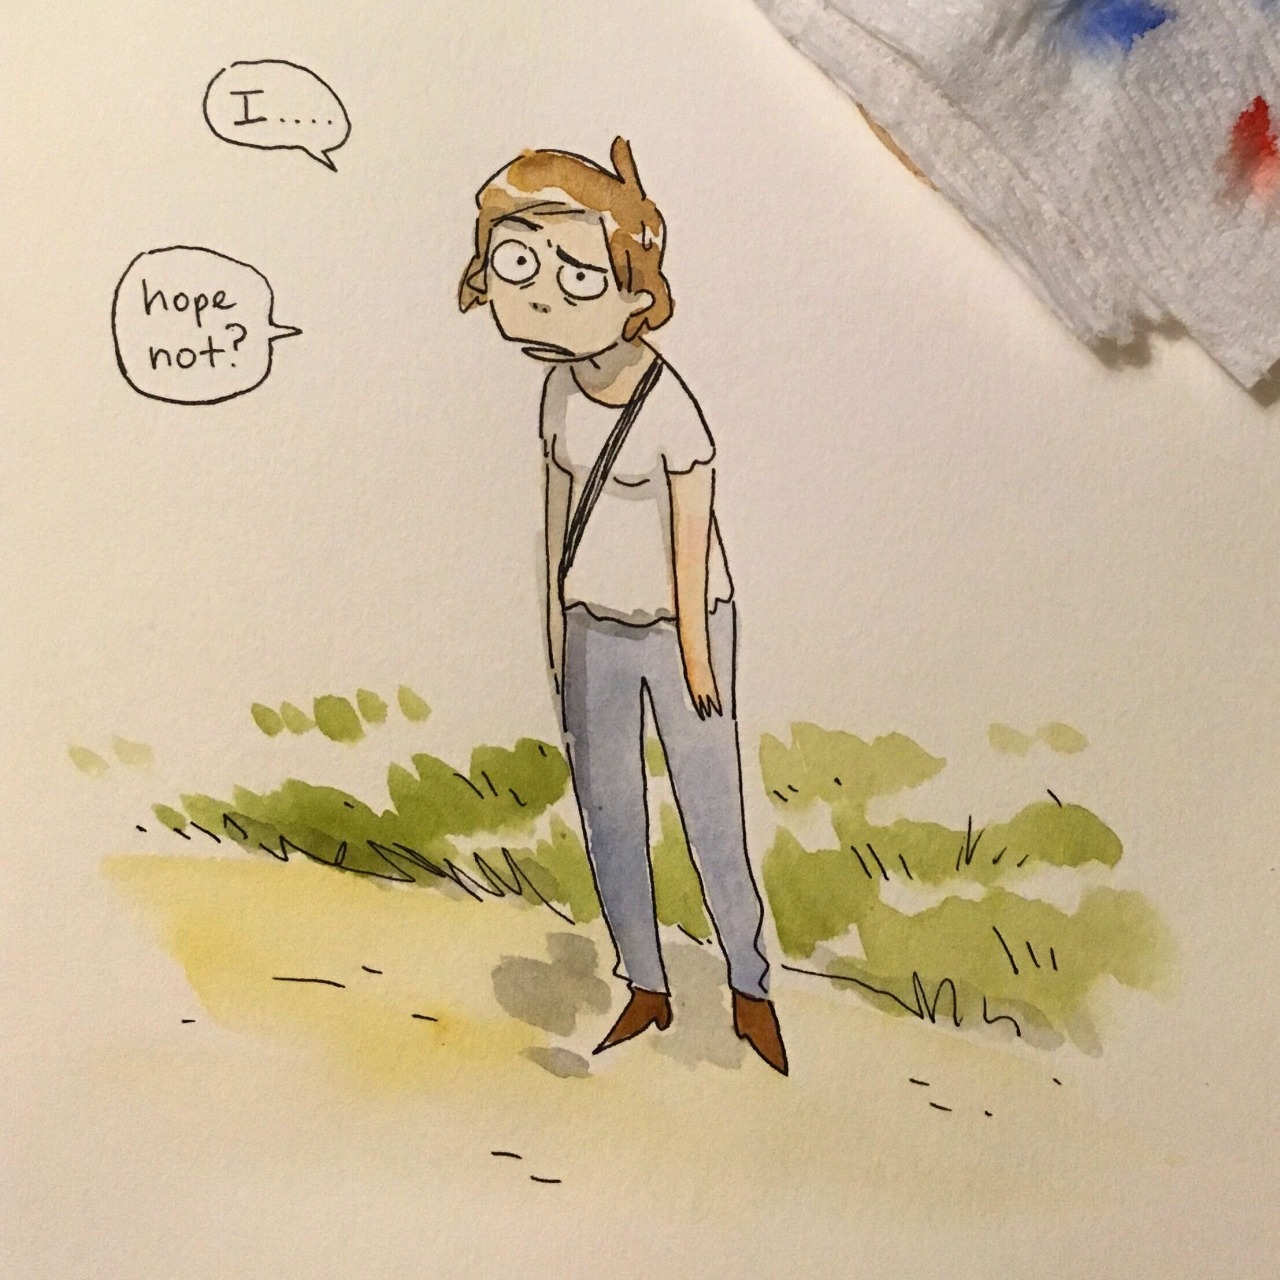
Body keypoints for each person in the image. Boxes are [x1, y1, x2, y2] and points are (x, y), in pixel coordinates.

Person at [459, 137, 787, 1074]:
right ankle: (645, 982)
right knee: (610, 814)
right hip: (592, 628)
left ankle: (750, 985)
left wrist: (696, 659)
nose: (540, 297)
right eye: (516, 265)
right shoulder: (558, 392)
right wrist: (553, 630)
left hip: (685, 632)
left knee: (710, 815)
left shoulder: (669, 404)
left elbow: (693, 531)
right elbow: (554, 515)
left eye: (574, 275)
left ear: (636, 295)